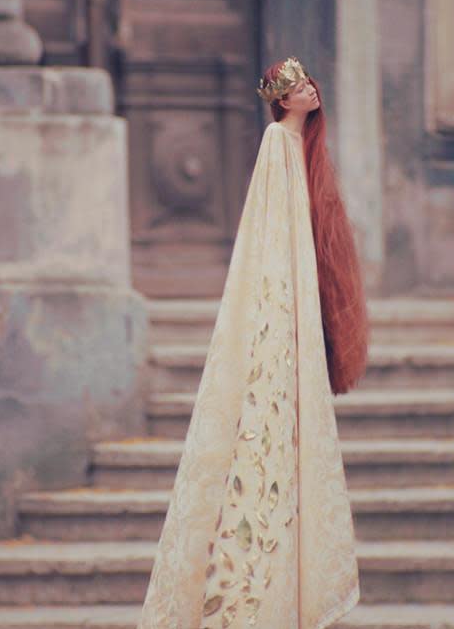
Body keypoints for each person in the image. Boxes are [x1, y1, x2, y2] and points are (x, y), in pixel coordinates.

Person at [137, 56, 368, 629]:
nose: (311, 90)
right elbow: (272, 233)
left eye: (311, 82)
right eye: (299, 86)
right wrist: (281, 308)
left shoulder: (300, 150)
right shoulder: (276, 144)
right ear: (282, 99)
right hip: (279, 303)